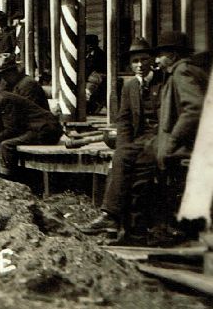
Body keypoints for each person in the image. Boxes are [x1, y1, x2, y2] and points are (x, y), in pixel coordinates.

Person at [79, 38, 162, 240]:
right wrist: (123, 148)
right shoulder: (129, 86)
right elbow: (123, 121)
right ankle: (116, 221)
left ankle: (116, 220)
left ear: (152, 60)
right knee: (121, 159)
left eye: (144, 60)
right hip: (139, 140)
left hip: (161, 137)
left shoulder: (164, 82)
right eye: (135, 61)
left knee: (135, 166)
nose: (140, 65)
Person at [153, 30, 208, 239]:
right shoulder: (188, 70)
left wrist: (172, 142)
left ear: (173, 55)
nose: (157, 59)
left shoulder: (181, 72)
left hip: (186, 148)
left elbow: (193, 109)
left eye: (161, 54)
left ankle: (172, 232)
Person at [0, 77, 61, 180]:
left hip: (46, 129)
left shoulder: (4, 100)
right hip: (34, 128)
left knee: (6, 145)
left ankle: (10, 181)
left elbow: (11, 130)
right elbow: (2, 128)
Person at [83, 35, 108, 114]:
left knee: (88, 91)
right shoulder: (87, 54)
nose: (87, 46)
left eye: (88, 44)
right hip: (90, 79)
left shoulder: (100, 55)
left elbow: (95, 69)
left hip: (98, 78)